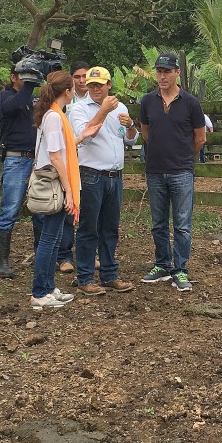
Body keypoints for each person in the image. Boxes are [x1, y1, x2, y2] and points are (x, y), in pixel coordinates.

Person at [30, 71, 100, 309]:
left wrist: (80, 137)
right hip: (54, 183)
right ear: (67, 91)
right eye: (73, 87)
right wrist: (69, 191)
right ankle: (39, 291)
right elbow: (56, 157)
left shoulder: (54, 114)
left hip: (56, 182)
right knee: (49, 240)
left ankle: (49, 287)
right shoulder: (54, 117)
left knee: (54, 237)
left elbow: (61, 147)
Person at [68, 66, 138, 296]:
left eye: (100, 84)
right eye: (91, 85)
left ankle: (109, 275)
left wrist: (130, 126)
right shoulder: (78, 109)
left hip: (115, 176)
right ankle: (86, 277)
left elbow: (130, 140)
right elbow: (84, 136)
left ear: (109, 85)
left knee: (110, 228)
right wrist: (103, 112)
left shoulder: (121, 107)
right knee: (89, 228)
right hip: (91, 174)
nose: (95, 89)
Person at [139, 53, 206, 292]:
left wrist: (184, 156)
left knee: (182, 223)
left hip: (181, 171)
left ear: (177, 72)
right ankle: (162, 264)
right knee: (158, 223)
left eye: (167, 71)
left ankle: (180, 268)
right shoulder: (148, 101)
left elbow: (200, 138)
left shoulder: (191, 103)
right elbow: (145, 131)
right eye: (159, 71)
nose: (162, 76)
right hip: (155, 170)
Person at [0, 67, 41, 278]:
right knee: (10, 210)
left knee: (41, 208)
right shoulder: (5, 97)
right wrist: (30, 84)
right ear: (13, 78)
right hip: (15, 158)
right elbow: (15, 105)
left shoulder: (33, 99)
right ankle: (2, 262)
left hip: (37, 159)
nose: (28, 79)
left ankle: (41, 255)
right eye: (23, 76)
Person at [57, 60, 91, 275]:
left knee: (89, 210)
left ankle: (88, 254)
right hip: (68, 158)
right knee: (68, 208)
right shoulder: (65, 101)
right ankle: (64, 256)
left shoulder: (97, 99)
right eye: (77, 77)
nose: (81, 81)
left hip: (89, 160)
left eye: (84, 76)